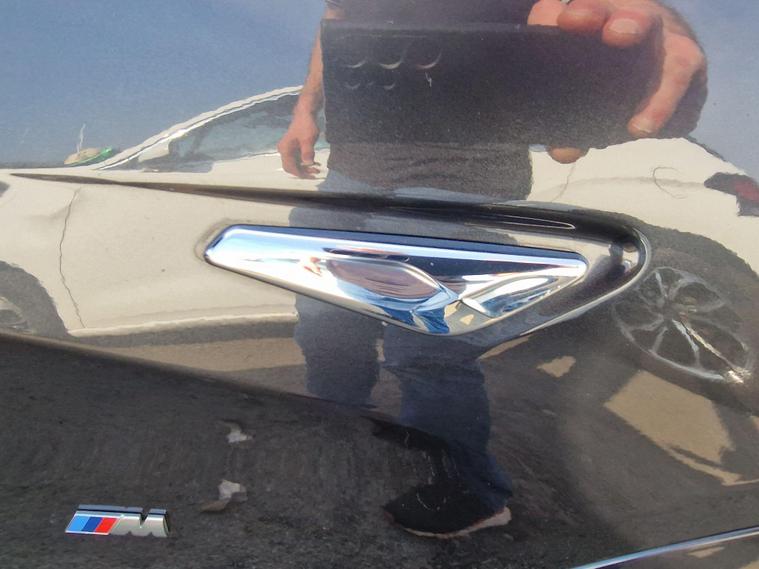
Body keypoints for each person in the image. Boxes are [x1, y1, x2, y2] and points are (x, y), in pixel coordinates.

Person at [278, 0, 707, 539]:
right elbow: (338, 19)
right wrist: (305, 111)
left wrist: (641, 41)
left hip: (463, 182)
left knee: (426, 348)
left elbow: (580, 13)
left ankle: (472, 493)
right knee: (326, 322)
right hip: (351, 175)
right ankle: (343, 432)